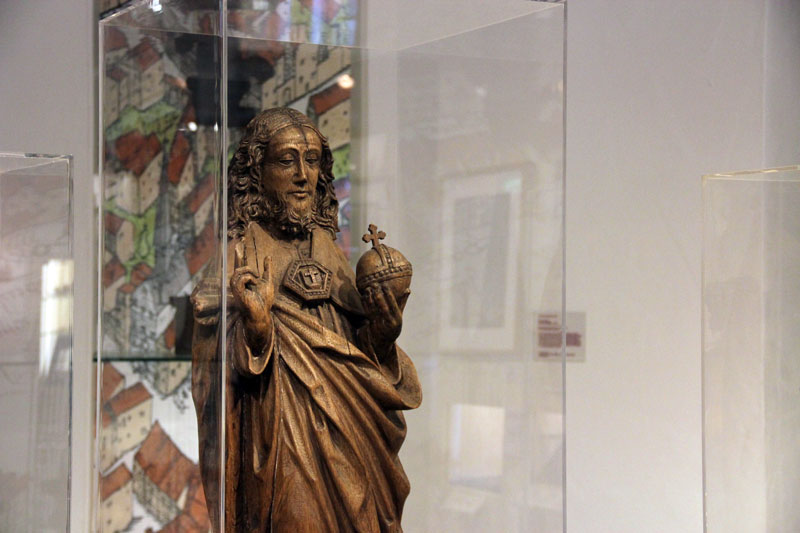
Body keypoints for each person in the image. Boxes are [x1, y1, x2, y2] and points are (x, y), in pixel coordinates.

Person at [191, 108, 421, 533]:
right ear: (257, 172)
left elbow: (353, 354)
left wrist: (381, 337)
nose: (302, 175)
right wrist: (257, 329)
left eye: (311, 160)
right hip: (283, 436)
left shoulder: (328, 250)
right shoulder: (239, 253)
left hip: (351, 435)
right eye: (287, 160)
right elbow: (212, 360)